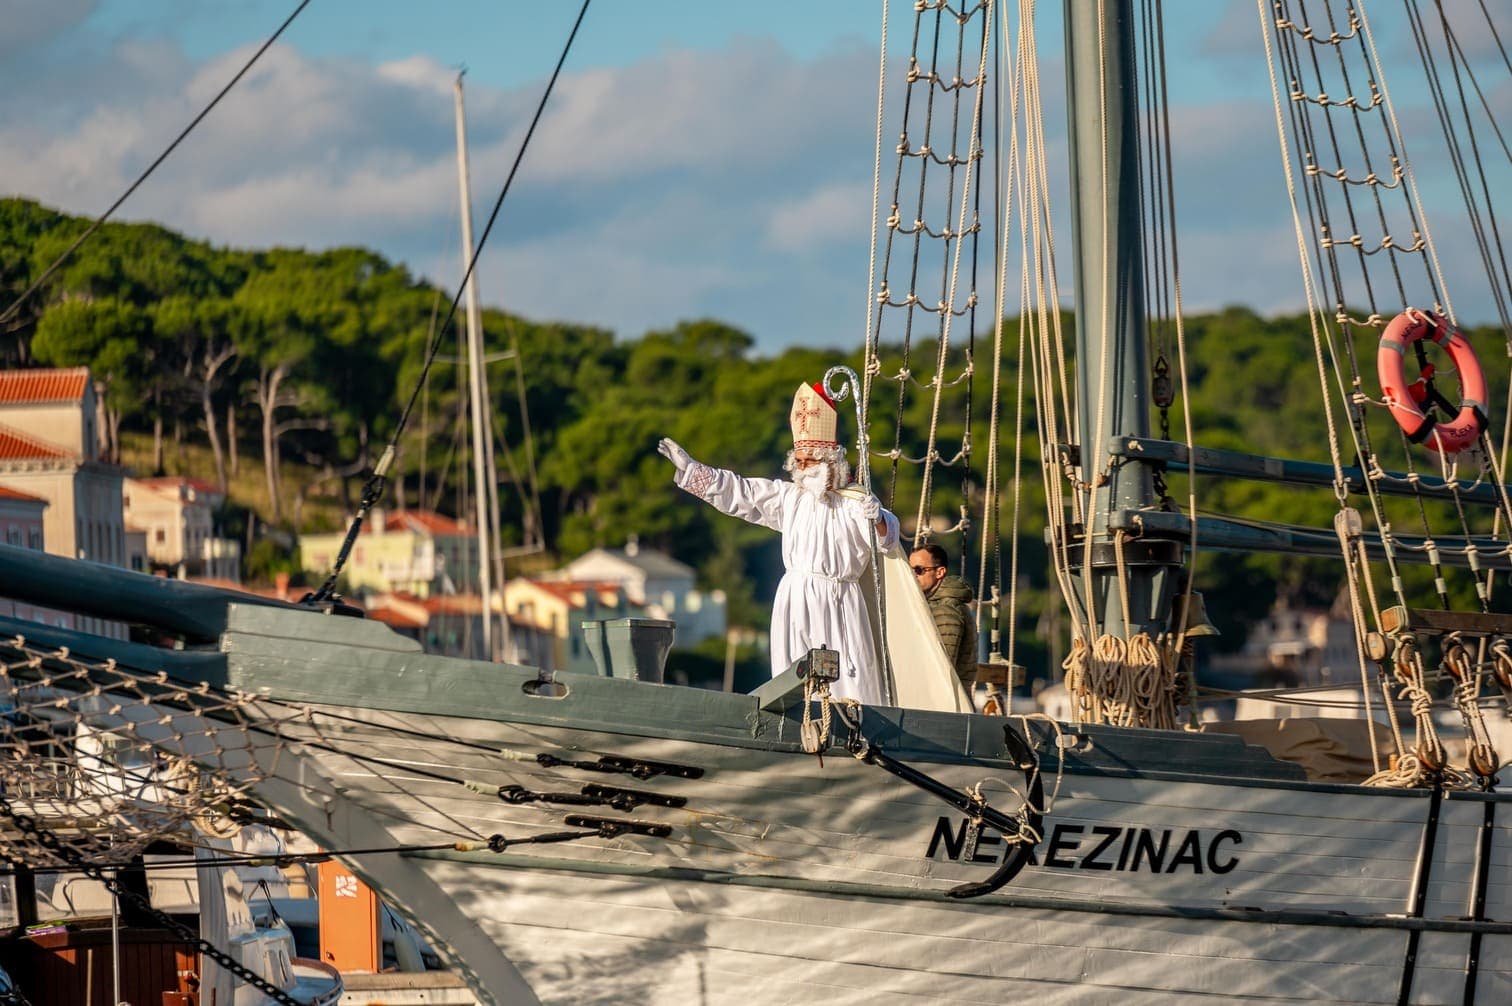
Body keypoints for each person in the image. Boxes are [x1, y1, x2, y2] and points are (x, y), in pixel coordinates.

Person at [657, 381, 900, 704]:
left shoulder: (856, 504)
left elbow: (886, 542)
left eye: (807, 462)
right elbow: (743, 493)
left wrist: (879, 518)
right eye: (797, 461)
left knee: (848, 679)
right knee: (796, 677)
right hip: (796, 598)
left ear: (828, 461)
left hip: (839, 600)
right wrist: (695, 472)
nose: (800, 469)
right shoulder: (790, 498)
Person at [908, 541, 978, 696]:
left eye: (919, 570)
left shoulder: (946, 610)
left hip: (945, 702)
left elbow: (941, 667)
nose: (913, 576)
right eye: (910, 570)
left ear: (939, 572)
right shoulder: (936, 605)